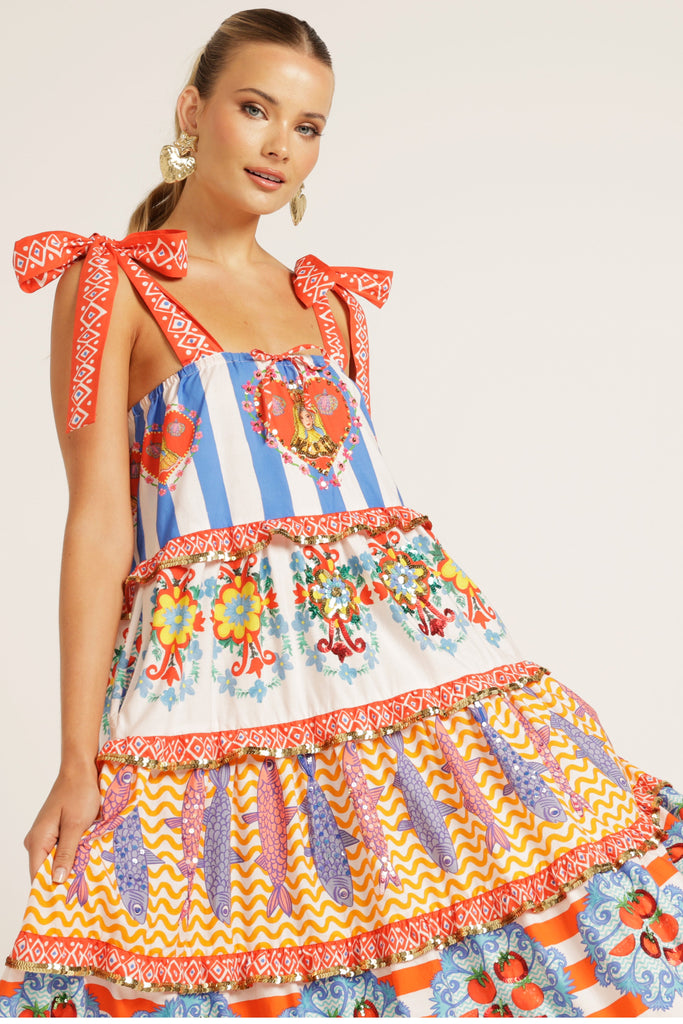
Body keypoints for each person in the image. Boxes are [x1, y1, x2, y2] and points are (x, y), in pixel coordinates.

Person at [2, 8, 682, 1019]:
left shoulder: (329, 304)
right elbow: (100, 521)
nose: (280, 144)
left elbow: (366, 520)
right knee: (225, 956)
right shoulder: (114, 284)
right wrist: (74, 759)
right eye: (254, 108)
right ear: (192, 111)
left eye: (308, 125)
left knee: (440, 941)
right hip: (218, 685)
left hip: (393, 672)